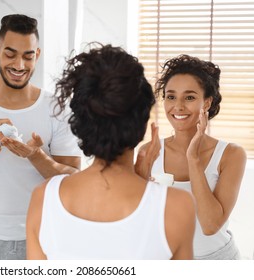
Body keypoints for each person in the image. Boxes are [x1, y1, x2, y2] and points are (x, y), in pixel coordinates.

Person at [26, 44, 196, 260]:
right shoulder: (176, 207)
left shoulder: (43, 199)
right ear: (144, 125)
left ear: (81, 124)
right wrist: (142, 183)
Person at [0, 14, 82, 260]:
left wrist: (37, 156)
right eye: (10, 54)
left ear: (37, 55)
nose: (19, 65)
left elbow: (74, 180)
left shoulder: (57, 108)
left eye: (28, 56)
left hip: (45, 236)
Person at [140, 54, 247, 259]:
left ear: (207, 102)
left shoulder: (231, 155)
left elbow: (210, 225)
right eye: (171, 96)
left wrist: (193, 159)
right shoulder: (149, 151)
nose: (178, 106)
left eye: (189, 97)